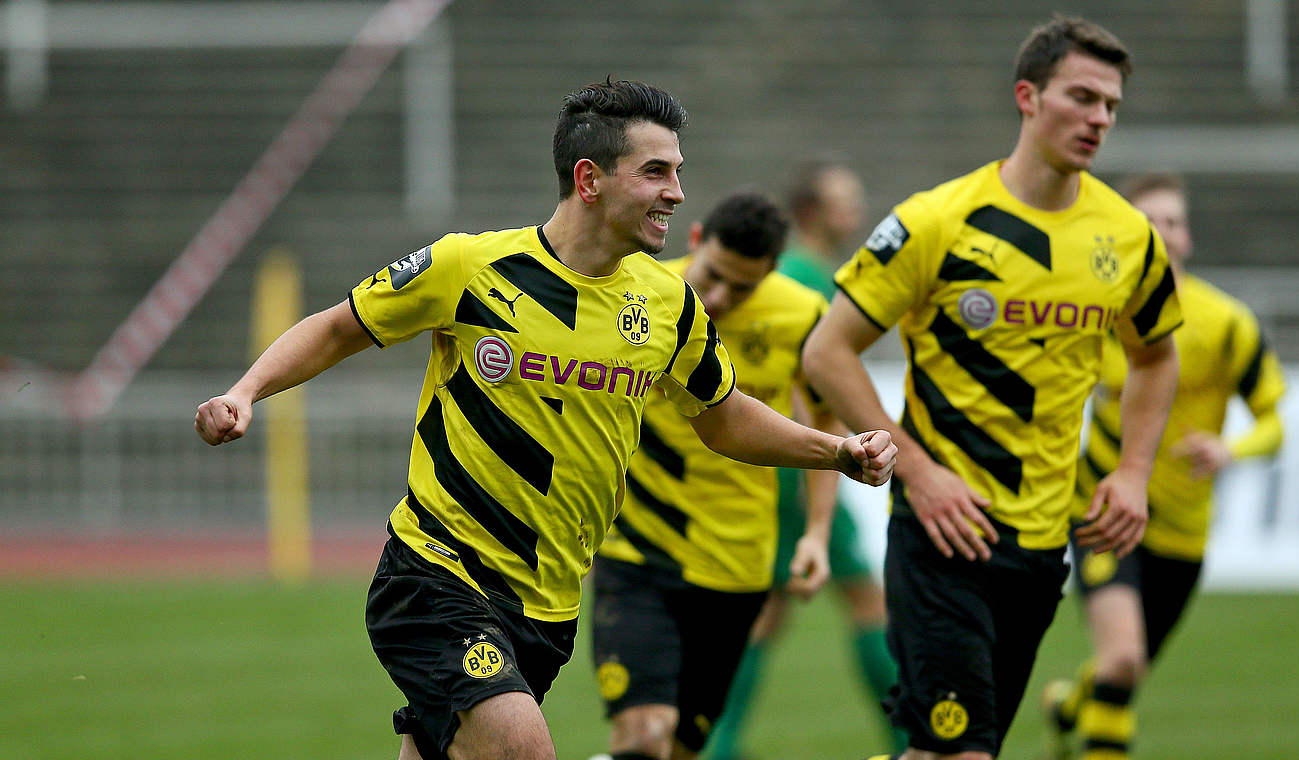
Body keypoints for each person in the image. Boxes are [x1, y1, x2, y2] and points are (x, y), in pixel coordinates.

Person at [193, 78, 897, 760]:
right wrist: (247, 390)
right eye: (656, 172)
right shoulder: (470, 267)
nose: (676, 193)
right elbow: (342, 327)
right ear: (589, 179)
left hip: (550, 602)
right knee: (521, 748)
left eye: (679, 172)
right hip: (439, 573)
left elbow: (722, 417)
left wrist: (834, 452)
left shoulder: (668, 302)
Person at [801, 16, 1184, 760]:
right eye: (1082, 97)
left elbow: (1155, 356)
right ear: (1028, 97)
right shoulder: (936, 221)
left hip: (1040, 542)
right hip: (940, 534)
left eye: (1111, 105)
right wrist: (918, 472)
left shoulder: (1128, 237)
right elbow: (827, 352)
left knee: (950, 750)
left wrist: (1134, 470)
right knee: (960, 753)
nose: (1099, 118)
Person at [1038, 173, 1287, 760]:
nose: (1163, 232)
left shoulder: (1227, 323)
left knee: (1125, 671)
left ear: (1188, 237)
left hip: (1183, 527)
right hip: (1100, 507)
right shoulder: (1092, 314)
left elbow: (1275, 423)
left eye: (1173, 221)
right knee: (1123, 659)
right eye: (1149, 220)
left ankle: (1067, 705)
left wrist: (1233, 450)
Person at [588, 189, 838, 760]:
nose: (721, 299)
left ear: (772, 274)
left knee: (679, 750)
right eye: (713, 276)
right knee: (643, 735)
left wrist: (817, 533)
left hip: (739, 565)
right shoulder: (636, 295)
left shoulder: (801, 316)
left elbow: (826, 420)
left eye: (743, 287)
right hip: (638, 556)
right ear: (695, 240)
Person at [706, 158, 909, 760]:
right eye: (846, 199)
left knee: (767, 613)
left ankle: (719, 744)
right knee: (864, 599)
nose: (858, 208)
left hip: (771, 472)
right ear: (814, 211)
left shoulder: (797, 273)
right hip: (799, 471)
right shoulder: (805, 280)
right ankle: (907, 741)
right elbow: (809, 385)